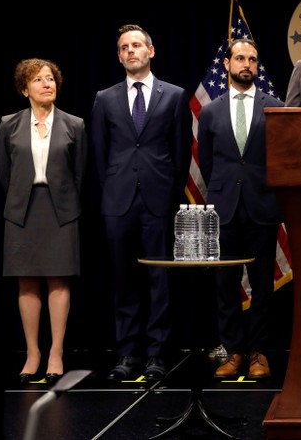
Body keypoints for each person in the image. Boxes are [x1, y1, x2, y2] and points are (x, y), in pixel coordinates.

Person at [91, 24, 193, 381]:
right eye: (124, 47)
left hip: (159, 199)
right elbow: (101, 155)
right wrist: (114, 189)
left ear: (152, 51)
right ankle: (126, 354)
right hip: (117, 201)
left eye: (137, 45)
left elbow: (181, 155)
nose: (131, 50)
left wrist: (168, 190)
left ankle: (156, 355)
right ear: (119, 56)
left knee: (159, 280)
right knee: (123, 280)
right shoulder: (105, 98)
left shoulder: (175, 96)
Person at [0, 58, 87, 384]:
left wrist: (60, 197)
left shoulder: (74, 125)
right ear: (25, 89)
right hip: (22, 209)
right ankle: (33, 352)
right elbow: (5, 173)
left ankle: (56, 352)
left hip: (61, 208)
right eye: (38, 80)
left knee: (59, 280)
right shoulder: (8, 125)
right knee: (27, 281)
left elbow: (79, 173)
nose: (47, 84)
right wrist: (24, 195)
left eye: (50, 79)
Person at [197, 38, 284, 379]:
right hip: (224, 207)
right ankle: (233, 352)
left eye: (252, 59)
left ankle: (258, 353)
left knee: (263, 284)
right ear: (227, 65)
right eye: (240, 58)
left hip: (262, 205)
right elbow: (206, 162)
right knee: (225, 284)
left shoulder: (275, 106)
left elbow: (281, 157)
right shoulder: (210, 111)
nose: (247, 64)